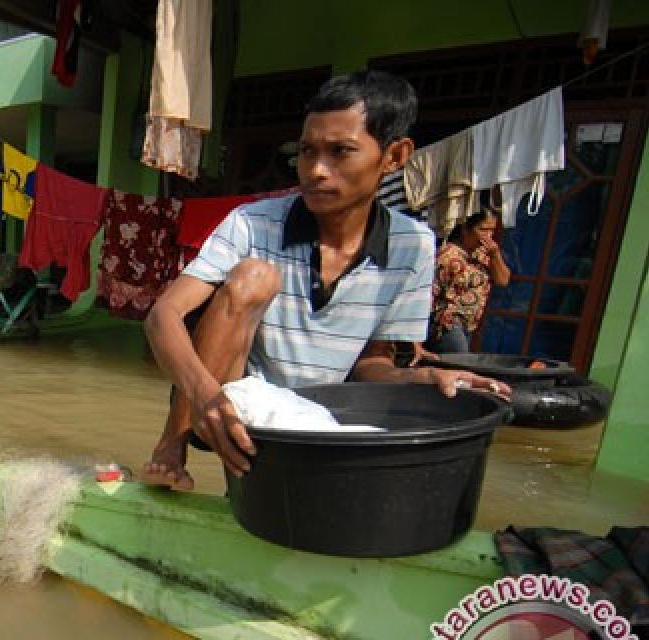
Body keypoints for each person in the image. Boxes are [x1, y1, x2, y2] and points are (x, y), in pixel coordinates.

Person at [142, 70, 510, 490]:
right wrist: (207, 396)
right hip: (231, 399)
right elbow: (163, 315)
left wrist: (423, 379)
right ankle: (171, 446)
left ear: (394, 157)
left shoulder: (414, 246)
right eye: (307, 151)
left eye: (340, 152)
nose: (316, 170)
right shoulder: (252, 223)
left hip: (321, 415)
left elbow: (373, 363)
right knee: (253, 277)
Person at [426, 207, 511, 354]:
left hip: (470, 326)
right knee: (461, 363)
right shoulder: (449, 256)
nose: (488, 236)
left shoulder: (483, 255)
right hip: (449, 325)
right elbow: (430, 293)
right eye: (483, 230)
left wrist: (495, 254)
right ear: (466, 229)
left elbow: (503, 280)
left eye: (492, 230)